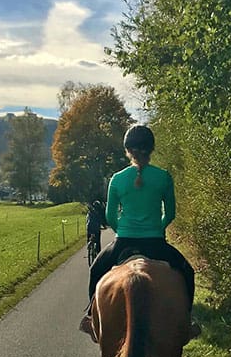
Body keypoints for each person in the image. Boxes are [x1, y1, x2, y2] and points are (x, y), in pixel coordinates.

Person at [79, 124, 200, 342]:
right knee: (187, 272)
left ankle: (90, 318)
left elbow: (110, 216)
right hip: (156, 243)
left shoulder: (117, 179)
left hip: (124, 242)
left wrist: (122, 230)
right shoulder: (163, 177)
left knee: (96, 269)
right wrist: (158, 228)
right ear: (151, 149)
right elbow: (170, 213)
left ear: (128, 150)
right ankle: (188, 322)